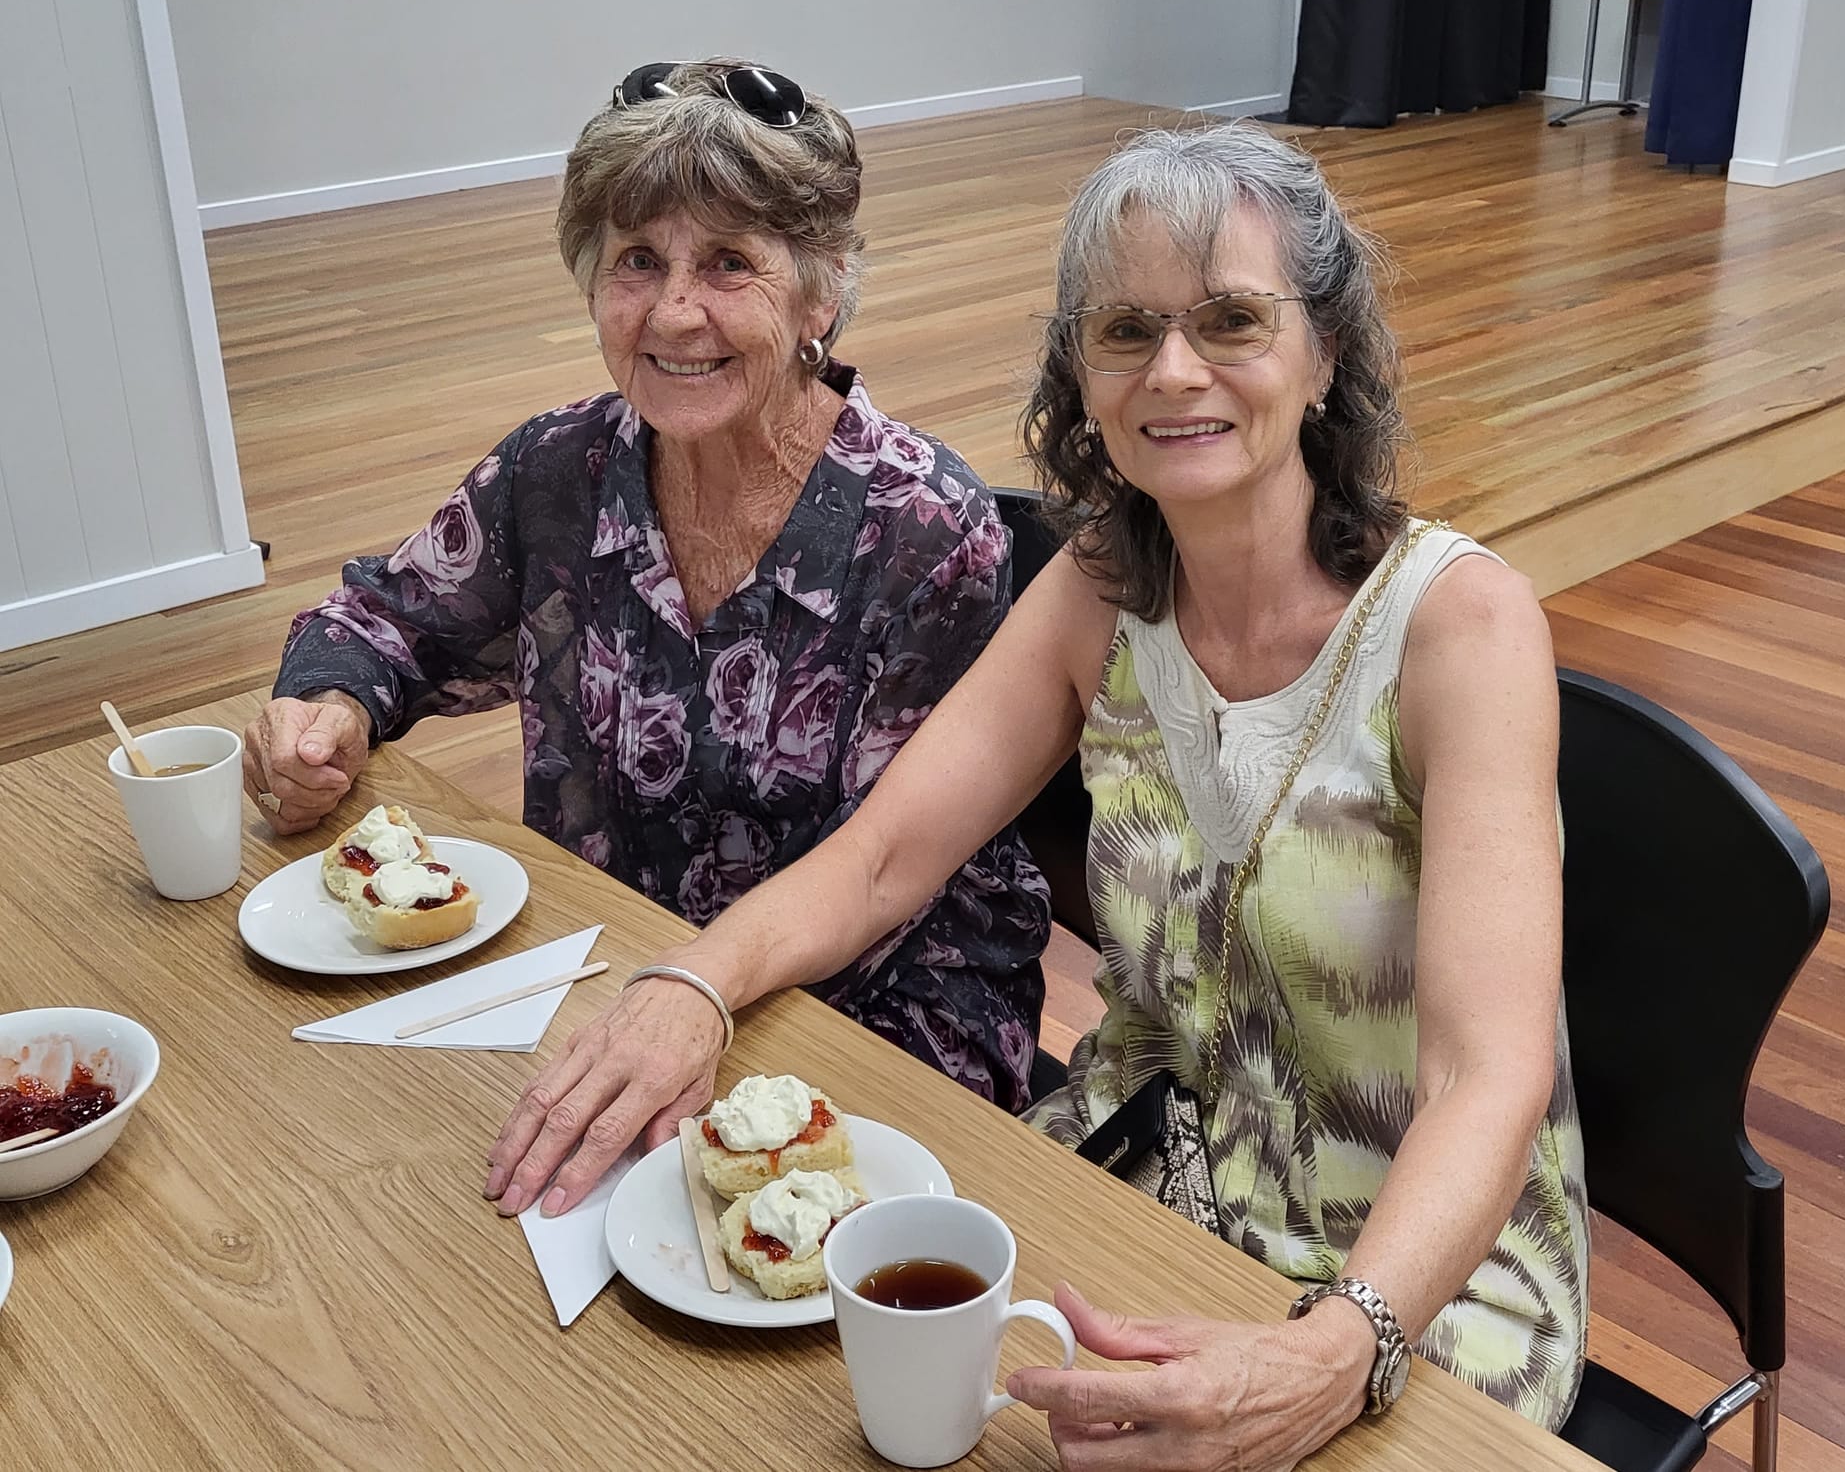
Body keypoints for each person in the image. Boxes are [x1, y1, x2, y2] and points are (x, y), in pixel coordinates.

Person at [485, 119, 1588, 1462]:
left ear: (1326, 352)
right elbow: (889, 854)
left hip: (1414, 1272)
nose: (1173, 371)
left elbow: (1492, 1075)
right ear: (1080, 370)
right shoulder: (1099, 594)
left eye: (1232, 321)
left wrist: (1334, 1352)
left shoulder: (1461, 629)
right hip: (1141, 1178)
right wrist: (690, 989)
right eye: (1125, 331)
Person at [244, 60, 1051, 1210]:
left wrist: (694, 997)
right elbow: (385, 620)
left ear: (819, 296)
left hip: (875, 1001)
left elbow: (889, 874)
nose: (675, 312)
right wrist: (327, 706)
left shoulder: (922, 527)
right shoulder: (555, 473)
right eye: (637, 262)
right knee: (378, 1181)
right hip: (610, 964)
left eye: (729, 263)